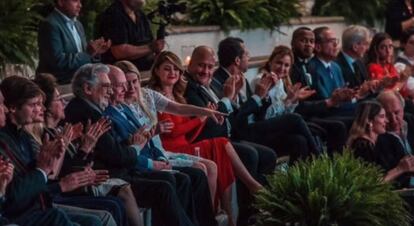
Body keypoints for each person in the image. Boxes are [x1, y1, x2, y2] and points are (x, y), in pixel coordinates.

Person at [64, 63, 197, 226]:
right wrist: (136, 146)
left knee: (175, 180)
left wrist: (134, 143)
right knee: (164, 188)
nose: (111, 91)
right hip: (109, 176)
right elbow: (116, 156)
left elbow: (112, 149)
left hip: (120, 169)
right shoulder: (88, 113)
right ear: (87, 88)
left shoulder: (89, 109)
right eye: (106, 86)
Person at [149, 51, 263, 226]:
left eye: (176, 70)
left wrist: (203, 119)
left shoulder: (179, 95)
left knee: (222, 149)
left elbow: (189, 134)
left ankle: (228, 214)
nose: (172, 73)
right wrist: (200, 119)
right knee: (222, 145)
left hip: (186, 145)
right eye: (167, 69)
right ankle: (219, 211)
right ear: (156, 71)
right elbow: (172, 132)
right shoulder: (154, 96)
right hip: (171, 150)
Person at [104, 64, 219, 226]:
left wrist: (206, 112)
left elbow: (176, 112)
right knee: (185, 177)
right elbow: (128, 150)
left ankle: (205, 222)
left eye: (133, 82)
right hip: (139, 165)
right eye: (122, 84)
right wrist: (154, 161)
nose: (128, 88)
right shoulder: (111, 112)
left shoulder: (140, 99)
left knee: (200, 171)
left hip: (158, 154)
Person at [32, 73, 143, 226]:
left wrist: (85, 147)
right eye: (58, 99)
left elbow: (77, 164)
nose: (64, 102)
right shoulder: (50, 134)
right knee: (110, 208)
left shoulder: (59, 130)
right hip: (61, 193)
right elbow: (57, 175)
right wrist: (84, 148)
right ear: (47, 107)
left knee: (117, 200)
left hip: (80, 183)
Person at [0, 76, 105, 226]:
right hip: (25, 215)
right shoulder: (5, 141)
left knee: (96, 218)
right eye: (35, 104)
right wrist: (48, 172)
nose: (42, 108)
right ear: (13, 107)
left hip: (40, 206)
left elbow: (45, 176)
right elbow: (15, 197)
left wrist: (83, 152)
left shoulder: (22, 136)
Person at [37, 0, 111, 84]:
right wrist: (88, 54)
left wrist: (96, 52)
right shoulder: (50, 24)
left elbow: (82, 56)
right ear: (60, 2)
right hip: (59, 85)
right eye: (75, 1)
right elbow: (57, 62)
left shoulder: (78, 24)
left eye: (80, 1)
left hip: (80, 83)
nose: (80, 5)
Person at [98, 0, 165, 71]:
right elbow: (119, 52)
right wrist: (151, 48)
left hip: (146, 72)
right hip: (123, 76)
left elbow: (149, 42)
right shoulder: (113, 15)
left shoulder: (140, 14)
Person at [376, 91, 414, 187]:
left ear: (403, 109)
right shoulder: (379, 137)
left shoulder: (411, 121)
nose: (393, 119)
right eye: (387, 115)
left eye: (397, 112)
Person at [335, 25, 372, 89]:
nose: (367, 48)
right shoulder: (336, 66)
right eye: (365, 44)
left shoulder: (359, 62)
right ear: (355, 47)